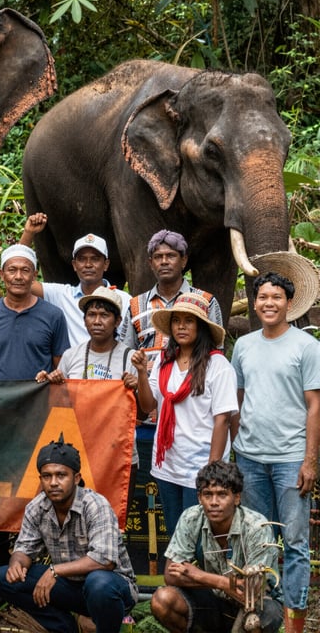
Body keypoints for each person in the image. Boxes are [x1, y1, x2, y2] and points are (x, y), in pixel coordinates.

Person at [231, 259, 320, 633]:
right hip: (250, 458)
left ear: (289, 303)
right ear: (254, 303)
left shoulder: (305, 346)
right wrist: (237, 447)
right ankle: (263, 620)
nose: (269, 303)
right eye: (263, 296)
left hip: (290, 460)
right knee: (259, 543)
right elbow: (236, 399)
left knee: (295, 543)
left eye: (277, 297)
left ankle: (295, 623)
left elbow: (315, 404)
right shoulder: (245, 346)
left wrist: (310, 461)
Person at [0, 437, 138, 633]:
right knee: (3, 577)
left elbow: (105, 561)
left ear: (76, 478)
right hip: (70, 587)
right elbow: (24, 549)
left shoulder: (95, 504)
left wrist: (55, 571)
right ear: (40, 479)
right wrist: (16, 564)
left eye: (61, 475)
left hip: (112, 588)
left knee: (99, 582)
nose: (53, 483)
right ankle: (65, 628)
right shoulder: (37, 507)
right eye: (47, 476)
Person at [135, 293, 237, 535]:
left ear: (200, 327)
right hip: (168, 465)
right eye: (176, 320)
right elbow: (148, 405)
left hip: (201, 466)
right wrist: (141, 372)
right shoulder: (163, 360)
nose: (181, 326)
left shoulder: (218, 365)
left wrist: (212, 473)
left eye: (189, 321)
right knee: (176, 534)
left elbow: (222, 420)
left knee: (202, 537)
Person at [150, 460, 282, 633]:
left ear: (236, 498)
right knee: (163, 599)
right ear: (199, 497)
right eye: (207, 494)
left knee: (261, 618)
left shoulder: (256, 526)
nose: (214, 502)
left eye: (222, 494)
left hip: (255, 602)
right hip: (213, 600)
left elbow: (251, 589)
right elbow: (170, 575)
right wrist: (223, 583)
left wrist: (196, 574)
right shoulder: (191, 518)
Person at [56, 286, 141, 497]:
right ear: (84, 320)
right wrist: (50, 382)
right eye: (91, 315)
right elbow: (58, 406)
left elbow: (145, 411)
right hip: (77, 453)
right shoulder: (70, 356)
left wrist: (139, 383)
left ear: (118, 321)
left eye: (104, 315)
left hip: (119, 454)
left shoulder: (130, 357)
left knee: (115, 519)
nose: (97, 321)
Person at [20, 214, 130, 345]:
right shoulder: (62, 295)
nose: (88, 264)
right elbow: (22, 280)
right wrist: (28, 233)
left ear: (105, 264)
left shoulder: (124, 300)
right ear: (74, 265)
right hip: (73, 364)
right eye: (82, 259)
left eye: (95, 259)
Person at [119, 230, 222, 364]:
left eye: (171, 256)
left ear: (183, 261)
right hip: (146, 383)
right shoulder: (136, 306)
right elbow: (126, 355)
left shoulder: (206, 301)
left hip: (193, 382)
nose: (164, 262)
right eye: (158, 257)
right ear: (150, 264)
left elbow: (216, 353)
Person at [0, 244, 69, 382]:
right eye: (12, 270)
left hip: (38, 398)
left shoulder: (54, 315)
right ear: (2, 274)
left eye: (25, 270)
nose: (18, 277)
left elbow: (60, 367)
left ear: (34, 275)